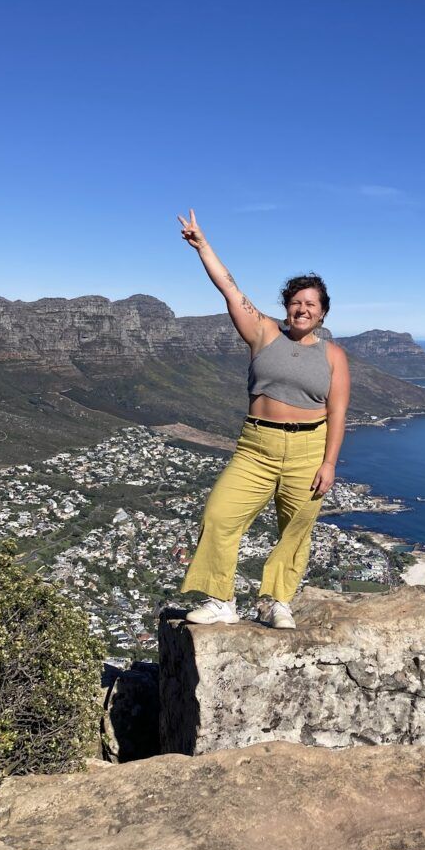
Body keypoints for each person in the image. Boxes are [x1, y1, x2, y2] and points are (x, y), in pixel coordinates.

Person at [176, 208, 350, 629]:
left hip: (309, 448)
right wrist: (203, 246)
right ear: (286, 308)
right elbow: (230, 290)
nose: (301, 309)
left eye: (310, 304)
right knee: (219, 515)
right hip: (257, 446)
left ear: (323, 312)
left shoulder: (333, 355)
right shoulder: (264, 334)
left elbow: (338, 411)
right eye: (295, 302)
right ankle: (221, 600)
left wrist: (329, 463)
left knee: (296, 531)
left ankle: (276, 601)